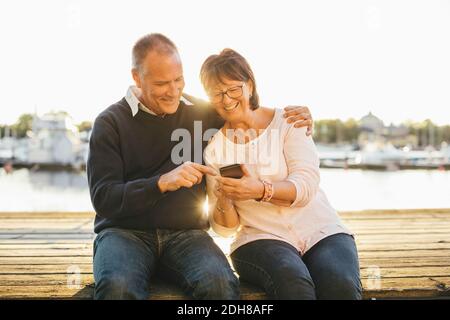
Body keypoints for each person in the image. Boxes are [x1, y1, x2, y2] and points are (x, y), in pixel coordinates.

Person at [88, 33, 313, 300]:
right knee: (118, 288)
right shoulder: (109, 123)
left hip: (187, 234)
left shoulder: (202, 112)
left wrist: (293, 115)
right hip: (124, 234)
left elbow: (242, 106)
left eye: (178, 80)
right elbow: (104, 199)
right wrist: (160, 183)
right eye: (162, 83)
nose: (173, 91)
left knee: (219, 284)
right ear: (137, 78)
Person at [202, 49, 362, 300]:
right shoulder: (213, 148)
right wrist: (224, 198)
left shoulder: (289, 121)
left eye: (233, 89)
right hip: (260, 237)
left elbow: (306, 185)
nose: (226, 99)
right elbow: (225, 230)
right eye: (216, 93)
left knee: (339, 284)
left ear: (250, 85)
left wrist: (261, 190)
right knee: (293, 283)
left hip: (320, 230)